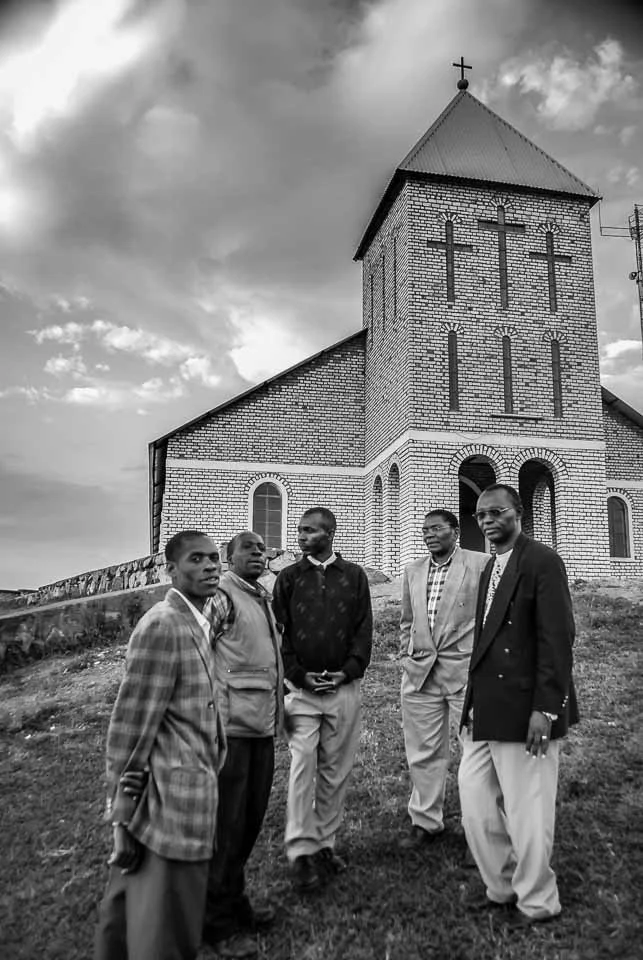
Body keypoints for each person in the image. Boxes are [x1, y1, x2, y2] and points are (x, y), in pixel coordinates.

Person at [94, 530, 229, 960]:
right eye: (196, 559)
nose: (210, 566)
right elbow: (130, 729)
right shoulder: (162, 626)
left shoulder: (200, 619)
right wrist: (123, 820)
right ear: (170, 569)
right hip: (164, 807)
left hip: (191, 802)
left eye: (213, 558)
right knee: (157, 933)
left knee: (149, 923)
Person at [458, 484, 578, 929]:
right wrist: (470, 706)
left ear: (518, 513)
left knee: (528, 811)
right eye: (480, 514)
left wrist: (545, 710)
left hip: (527, 709)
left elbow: (557, 639)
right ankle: (502, 886)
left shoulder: (542, 561)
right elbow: (484, 643)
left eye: (495, 512)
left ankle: (537, 901)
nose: (486, 520)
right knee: (475, 803)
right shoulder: (491, 566)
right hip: (486, 708)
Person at [272, 507, 373, 892]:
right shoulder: (289, 577)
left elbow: (364, 628)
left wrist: (348, 670)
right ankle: (300, 851)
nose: (300, 536)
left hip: (344, 690)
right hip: (301, 693)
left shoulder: (355, 576)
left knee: (335, 770)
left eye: (309, 531)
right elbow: (278, 634)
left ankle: (324, 846)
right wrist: (298, 675)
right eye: (299, 530)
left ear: (330, 533)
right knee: (302, 766)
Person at [202, 532, 284, 959]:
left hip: (261, 727)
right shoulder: (222, 596)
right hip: (230, 729)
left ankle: (234, 903)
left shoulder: (260, 596)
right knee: (227, 828)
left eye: (261, 548)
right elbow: (197, 650)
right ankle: (215, 923)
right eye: (247, 548)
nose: (258, 553)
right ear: (228, 557)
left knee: (249, 823)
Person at [398, 509, 488, 848]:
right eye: (424, 530)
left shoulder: (480, 565)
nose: (428, 534)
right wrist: (407, 657)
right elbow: (407, 621)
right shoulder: (413, 571)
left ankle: (478, 828)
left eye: (436, 528)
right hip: (420, 675)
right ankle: (425, 822)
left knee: (478, 752)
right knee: (422, 752)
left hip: (465, 673)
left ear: (455, 531)